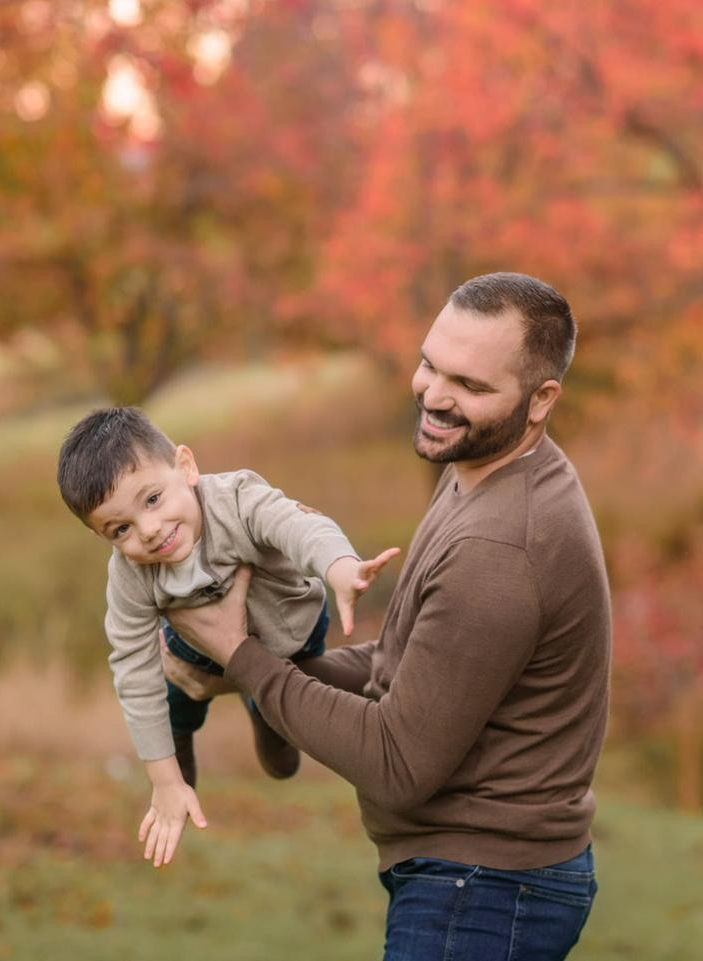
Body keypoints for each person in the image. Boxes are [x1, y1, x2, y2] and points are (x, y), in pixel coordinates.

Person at [165, 272, 613, 960]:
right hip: (476, 880)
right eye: (430, 363)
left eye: (468, 383)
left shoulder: (499, 547)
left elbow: (398, 762)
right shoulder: (482, 474)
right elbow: (398, 664)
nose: (433, 394)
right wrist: (261, 665)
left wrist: (243, 657)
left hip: (487, 890)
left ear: (540, 399)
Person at [55, 408, 398, 868]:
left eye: (152, 499)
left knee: (283, 728)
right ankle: (180, 778)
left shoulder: (237, 500)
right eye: (121, 529)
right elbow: (133, 671)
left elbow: (298, 527)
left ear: (186, 467)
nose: (149, 530)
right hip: (191, 658)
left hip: (284, 640)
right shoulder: (129, 576)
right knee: (172, 702)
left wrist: (340, 566)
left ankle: (268, 714)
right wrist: (162, 778)